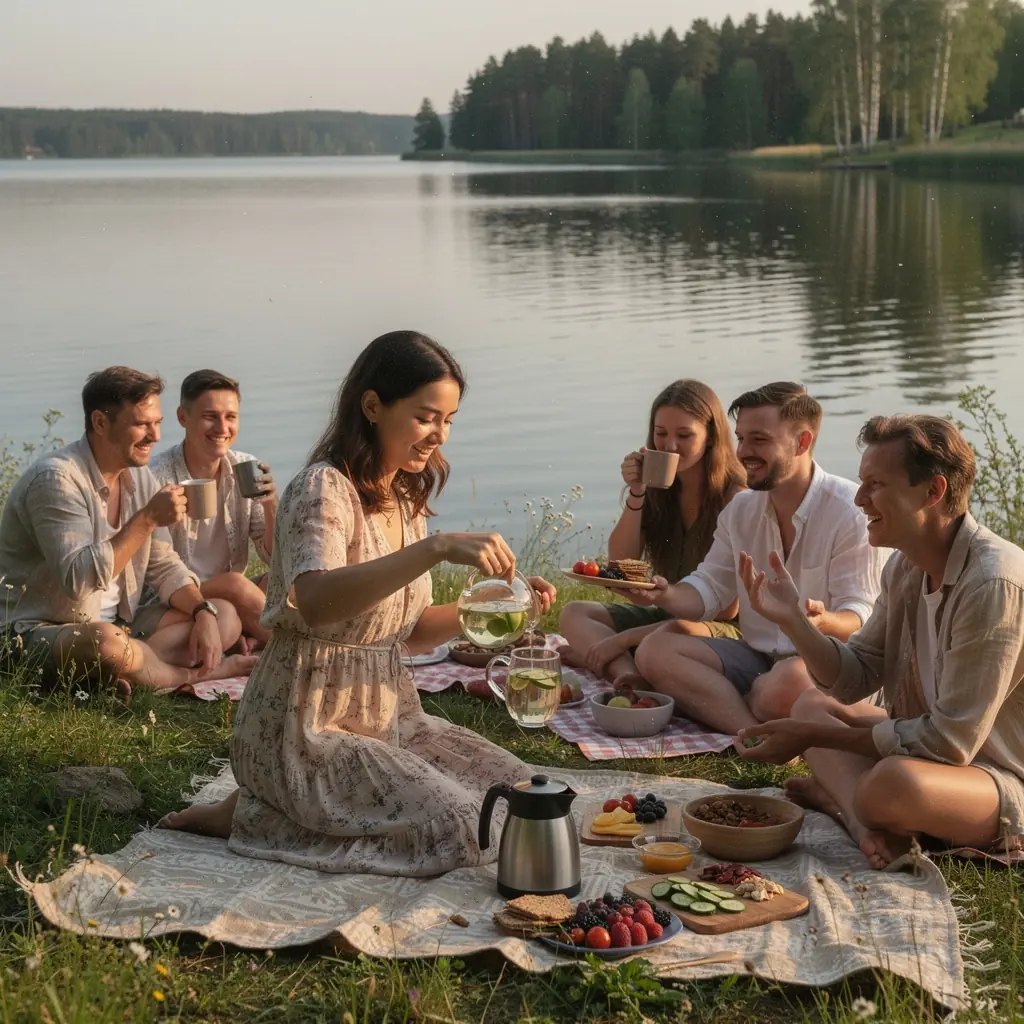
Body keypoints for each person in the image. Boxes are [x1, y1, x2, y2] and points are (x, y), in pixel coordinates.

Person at [158, 331, 558, 878]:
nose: (438, 436)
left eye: (449, 420)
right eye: (425, 417)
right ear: (372, 405)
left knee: (518, 797)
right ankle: (254, 812)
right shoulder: (322, 488)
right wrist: (436, 548)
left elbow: (409, 631)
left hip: (388, 716)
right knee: (461, 825)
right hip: (305, 729)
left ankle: (279, 808)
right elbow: (317, 602)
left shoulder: (404, 496)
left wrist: (509, 608)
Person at [735, 415, 1024, 869]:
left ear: (933, 491)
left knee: (890, 783)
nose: (858, 498)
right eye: (860, 483)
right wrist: (794, 621)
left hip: (997, 778)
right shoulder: (904, 568)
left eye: (875, 484)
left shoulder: (992, 583)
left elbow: (950, 744)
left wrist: (810, 738)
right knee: (810, 705)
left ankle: (850, 802)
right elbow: (854, 679)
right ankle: (861, 820)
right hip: (937, 757)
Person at [630, 382, 887, 735]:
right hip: (757, 657)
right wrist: (663, 594)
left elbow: (861, 616)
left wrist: (820, 621)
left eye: (759, 440)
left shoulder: (848, 512)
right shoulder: (740, 510)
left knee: (784, 684)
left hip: (829, 662)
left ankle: (739, 711)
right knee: (654, 650)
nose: (744, 452)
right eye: (741, 438)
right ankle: (750, 734)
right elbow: (708, 589)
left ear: (802, 442)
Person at [0, 367, 258, 698]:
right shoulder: (56, 481)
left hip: (126, 623)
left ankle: (133, 670)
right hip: (40, 630)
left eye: (157, 423)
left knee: (224, 615)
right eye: (141, 424)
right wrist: (147, 518)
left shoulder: (139, 479)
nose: (156, 436)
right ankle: (196, 674)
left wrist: (201, 611)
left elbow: (164, 565)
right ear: (100, 423)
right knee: (107, 643)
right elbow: (78, 581)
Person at [558, 380, 746, 689]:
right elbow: (621, 562)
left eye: (684, 435)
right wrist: (637, 493)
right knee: (575, 613)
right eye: (661, 434)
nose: (669, 446)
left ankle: (611, 657)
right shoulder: (659, 492)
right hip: (666, 615)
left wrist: (625, 637)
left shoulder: (735, 499)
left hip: (716, 628)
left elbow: (727, 609)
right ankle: (626, 675)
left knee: (676, 631)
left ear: (711, 436)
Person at [151, 370, 277, 651]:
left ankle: (256, 637)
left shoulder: (244, 466)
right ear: (183, 417)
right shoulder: (157, 477)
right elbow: (155, 572)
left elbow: (273, 558)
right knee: (235, 585)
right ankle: (304, 650)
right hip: (177, 595)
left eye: (230, 417)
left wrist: (271, 504)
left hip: (233, 593)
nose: (222, 428)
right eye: (210, 416)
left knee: (285, 583)